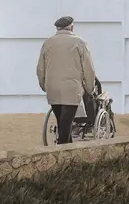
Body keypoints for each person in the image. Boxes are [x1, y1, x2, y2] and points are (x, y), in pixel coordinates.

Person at [36, 15, 96, 144]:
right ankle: (63, 154)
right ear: (72, 26)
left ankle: (68, 154)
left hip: (53, 88)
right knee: (65, 125)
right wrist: (90, 89)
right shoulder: (79, 42)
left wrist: (44, 85)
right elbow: (89, 69)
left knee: (62, 123)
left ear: (57, 28)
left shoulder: (47, 43)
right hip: (71, 88)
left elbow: (40, 68)